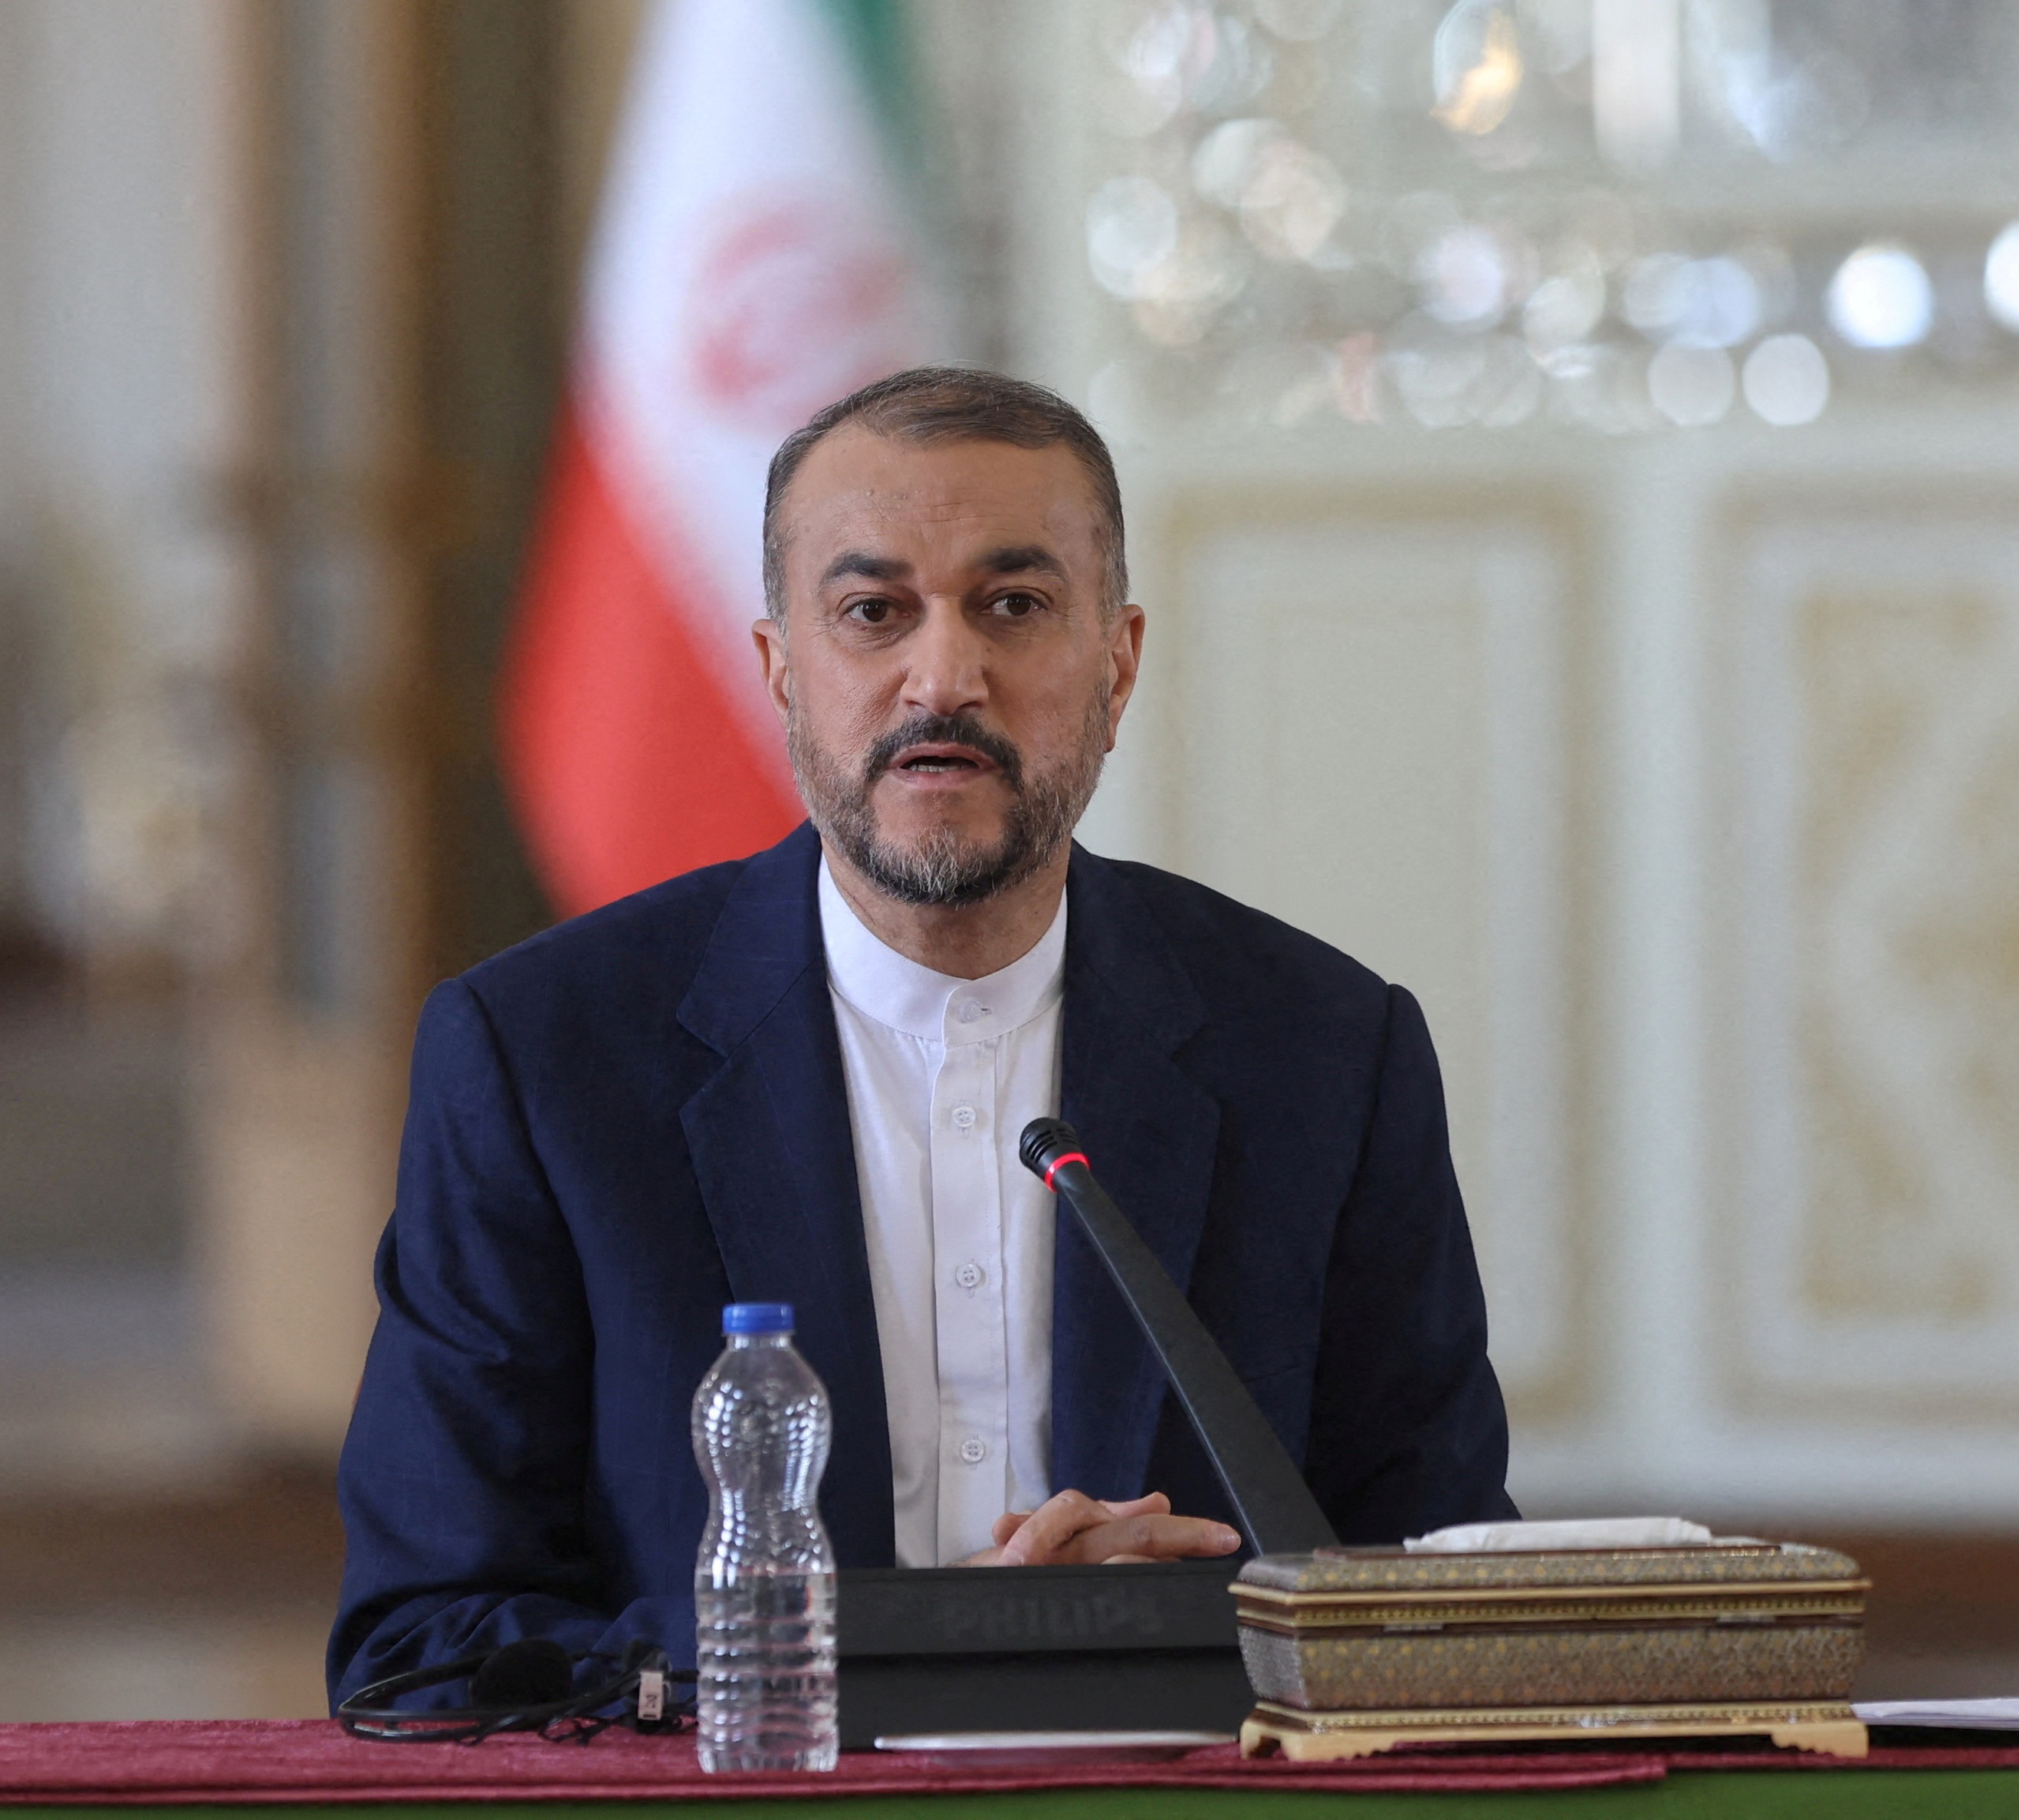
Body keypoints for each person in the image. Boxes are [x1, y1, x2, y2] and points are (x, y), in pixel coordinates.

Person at [330, 366, 1512, 1703]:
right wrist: (908, 1642)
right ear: (780, 671)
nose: (943, 678)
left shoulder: (1323, 1054)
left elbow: (1441, 1598)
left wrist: (1164, 1635)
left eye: (1014, 605)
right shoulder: (542, 1059)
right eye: (872, 612)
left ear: (1119, 664)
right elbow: (422, 1645)